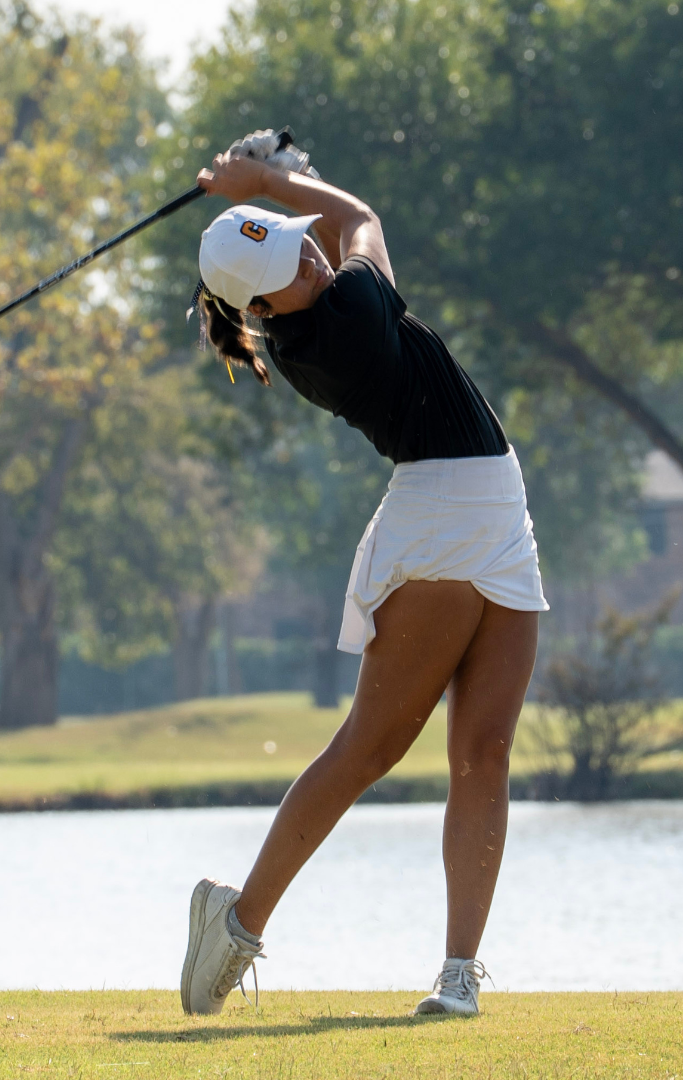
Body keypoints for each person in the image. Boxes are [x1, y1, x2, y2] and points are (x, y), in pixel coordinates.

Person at [176, 146, 546, 1018]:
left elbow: (330, 232)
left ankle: (458, 974)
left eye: (297, 244)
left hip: (497, 514)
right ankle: (237, 923)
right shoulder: (341, 316)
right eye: (288, 263)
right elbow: (359, 220)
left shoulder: (309, 304)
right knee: (371, 749)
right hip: (441, 520)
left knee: (484, 751)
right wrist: (267, 180)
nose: (310, 253)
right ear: (261, 307)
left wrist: (272, 194)